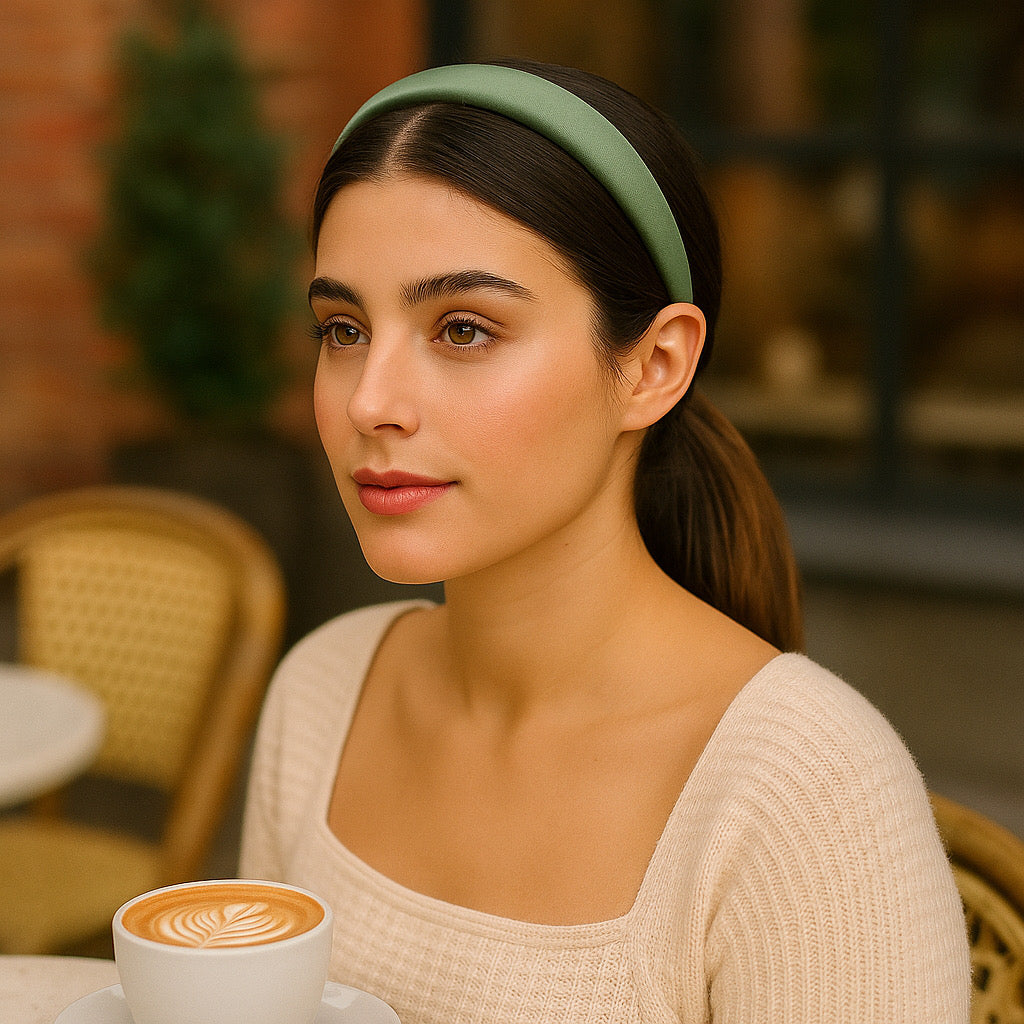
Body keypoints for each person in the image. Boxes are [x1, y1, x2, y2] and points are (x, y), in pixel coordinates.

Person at [240, 60, 970, 1023]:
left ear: (653, 366)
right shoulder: (320, 696)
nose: (370, 401)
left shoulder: (810, 799)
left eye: (464, 329)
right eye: (342, 329)